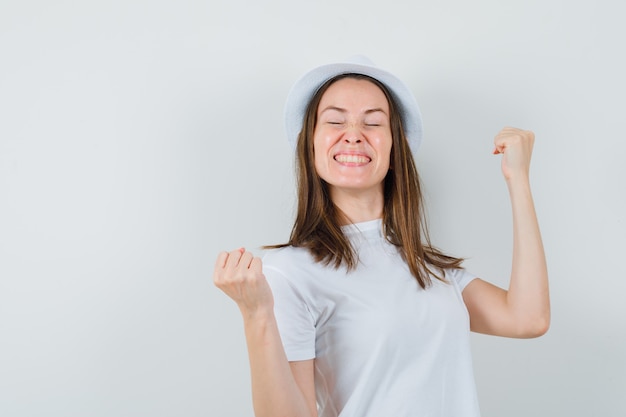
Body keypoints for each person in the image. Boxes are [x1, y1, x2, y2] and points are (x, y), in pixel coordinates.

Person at [213, 55, 550, 417]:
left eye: (373, 122)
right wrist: (257, 316)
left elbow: (527, 318)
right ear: (310, 146)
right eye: (335, 121)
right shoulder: (288, 273)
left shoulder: (425, 266)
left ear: (394, 150)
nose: (354, 134)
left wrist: (519, 182)